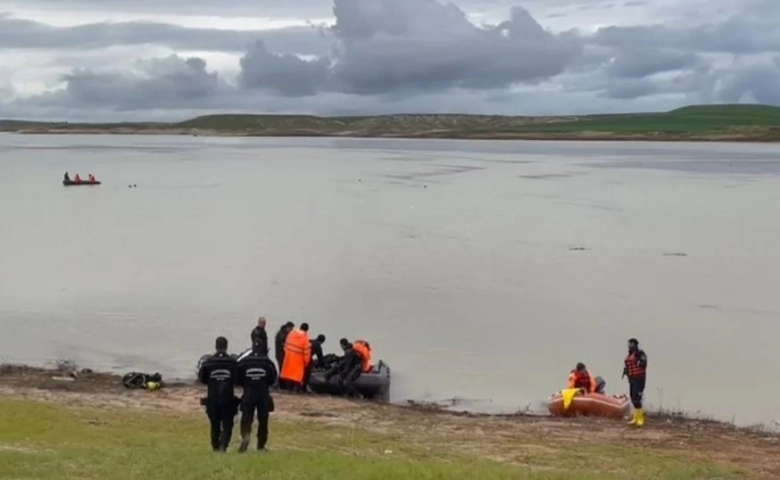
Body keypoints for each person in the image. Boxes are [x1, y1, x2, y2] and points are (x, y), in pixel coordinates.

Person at [236, 339, 278, 453]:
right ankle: (261, 446)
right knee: (263, 420)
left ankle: (245, 438)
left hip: (248, 393)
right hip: (262, 394)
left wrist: (246, 383)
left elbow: (237, 377)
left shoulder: (244, 362)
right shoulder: (267, 362)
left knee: (246, 419)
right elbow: (273, 378)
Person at [197, 336, 238, 452]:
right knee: (227, 423)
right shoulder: (232, 362)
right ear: (226, 347)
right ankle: (223, 445)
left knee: (214, 423)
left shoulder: (208, 362)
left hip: (213, 398)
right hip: (228, 398)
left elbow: (202, 379)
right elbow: (237, 379)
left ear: (216, 346)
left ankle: (215, 445)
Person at [623, 338, 648, 427]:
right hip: (632, 379)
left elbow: (644, 363)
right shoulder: (630, 354)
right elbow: (628, 365)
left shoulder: (639, 353)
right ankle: (635, 418)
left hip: (639, 379)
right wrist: (626, 371)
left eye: (630, 344)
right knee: (633, 398)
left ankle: (640, 418)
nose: (628, 346)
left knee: (637, 398)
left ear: (634, 344)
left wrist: (638, 362)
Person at [280, 323, 311, 393]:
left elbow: (286, 345)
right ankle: (296, 391)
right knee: (297, 377)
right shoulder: (305, 337)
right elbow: (307, 352)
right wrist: (306, 362)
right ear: (306, 330)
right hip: (298, 360)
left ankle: (289, 390)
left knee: (289, 376)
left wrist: (287, 355)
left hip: (289, 358)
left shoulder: (291, 333)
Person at [274, 321, 294, 389]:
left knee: (282, 370)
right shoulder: (282, 335)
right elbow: (285, 345)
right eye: (291, 329)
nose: (291, 331)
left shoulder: (281, 333)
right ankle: (282, 385)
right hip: (281, 355)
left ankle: (282, 384)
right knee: (282, 370)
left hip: (280, 354)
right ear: (287, 328)